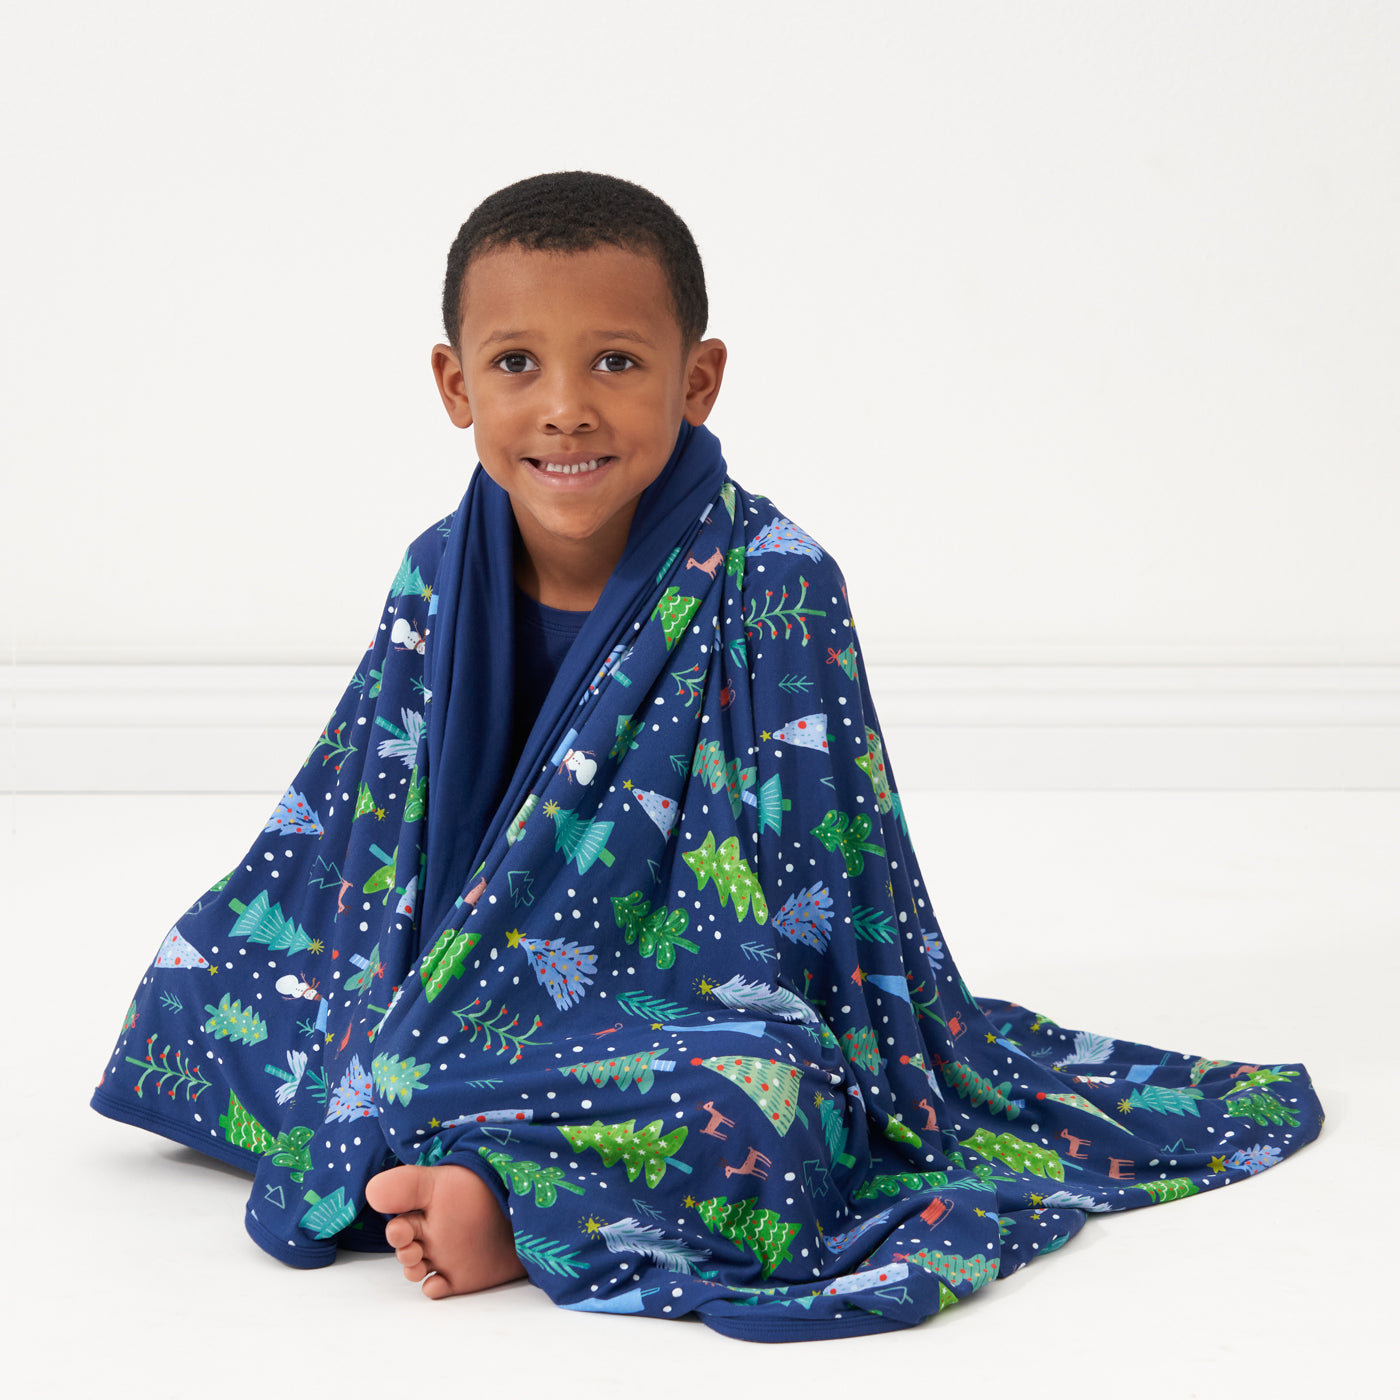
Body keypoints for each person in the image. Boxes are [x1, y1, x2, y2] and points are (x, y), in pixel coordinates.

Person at [92, 172, 1323, 1342]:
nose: (565, 407)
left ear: (697, 379)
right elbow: (367, 822)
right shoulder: (436, 570)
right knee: (210, 978)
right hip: (452, 974)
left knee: (760, 1101)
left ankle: (508, 1196)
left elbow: (813, 907)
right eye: (516, 363)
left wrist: (436, 1050)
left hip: (689, 997)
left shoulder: (778, 581)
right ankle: (471, 1125)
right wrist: (395, 995)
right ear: (454, 384)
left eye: (615, 362)